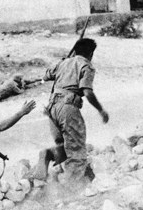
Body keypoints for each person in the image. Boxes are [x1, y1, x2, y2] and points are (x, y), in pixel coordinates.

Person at [32, 38, 109, 187]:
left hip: (52, 108)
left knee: (63, 144)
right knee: (77, 151)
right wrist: (101, 110)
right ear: (91, 53)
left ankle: (49, 154)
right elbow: (87, 92)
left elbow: (47, 75)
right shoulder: (86, 66)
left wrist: (65, 61)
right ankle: (72, 189)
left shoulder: (63, 63)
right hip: (68, 107)